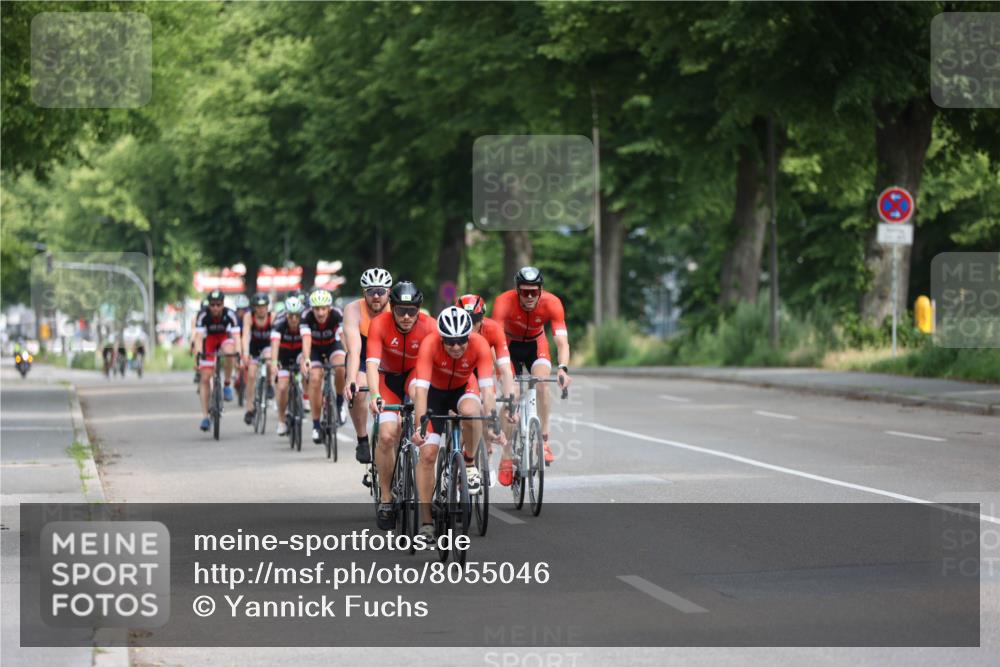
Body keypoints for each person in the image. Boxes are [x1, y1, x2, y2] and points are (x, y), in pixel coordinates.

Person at [411, 307, 504, 538]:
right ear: (441, 338)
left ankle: (469, 463)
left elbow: (487, 391)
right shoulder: (429, 345)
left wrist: (492, 423)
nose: (456, 347)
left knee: (473, 413)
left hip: (464, 388)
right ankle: (426, 522)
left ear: (468, 336)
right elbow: (420, 392)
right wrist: (418, 427)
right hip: (434, 394)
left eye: (461, 341)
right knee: (428, 454)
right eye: (450, 342)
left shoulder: (480, 344)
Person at [365, 281, 435, 530]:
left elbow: (434, 367)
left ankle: (418, 435)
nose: (406, 317)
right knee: (386, 436)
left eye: (412, 311)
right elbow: (372, 363)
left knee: (419, 392)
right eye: (401, 310)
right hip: (387, 380)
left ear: (420, 309)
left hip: (415, 375)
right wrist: (374, 394)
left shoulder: (430, 326)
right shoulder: (379, 324)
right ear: (391, 308)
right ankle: (386, 497)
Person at [491, 266, 573, 474]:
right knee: (513, 394)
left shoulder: (552, 303)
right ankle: (507, 454)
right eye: (524, 291)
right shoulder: (503, 302)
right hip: (507, 346)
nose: (529, 296)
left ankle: (543, 441)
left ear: (541, 290)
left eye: (534, 292)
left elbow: (562, 342)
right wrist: (502, 373)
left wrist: (563, 369)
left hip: (536, 345)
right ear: (517, 290)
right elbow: (494, 341)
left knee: (543, 384)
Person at [342, 267, 393, 463]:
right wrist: (350, 380)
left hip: (388, 355)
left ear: (389, 292)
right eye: (371, 292)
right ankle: (362, 439)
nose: (376, 296)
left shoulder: (396, 309)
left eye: (381, 291)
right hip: (362, 355)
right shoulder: (353, 310)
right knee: (358, 390)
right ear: (364, 293)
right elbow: (354, 351)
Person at [300, 289, 346, 443]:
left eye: (323, 308)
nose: (320, 313)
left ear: (329, 308)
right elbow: (306, 338)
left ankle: (339, 404)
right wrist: (306, 358)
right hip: (314, 349)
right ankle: (316, 425)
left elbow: (343, 336)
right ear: (312, 309)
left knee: (341, 366)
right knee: (314, 378)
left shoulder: (337, 314)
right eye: (317, 309)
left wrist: (350, 354)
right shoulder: (306, 317)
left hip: (333, 346)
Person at [192, 289, 242, 431]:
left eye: (218, 304)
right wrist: (198, 355)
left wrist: (238, 353)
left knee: (229, 352)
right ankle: (205, 417)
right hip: (209, 341)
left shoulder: (230, 314)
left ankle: (226, 384)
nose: (215, 308)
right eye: (212, 305)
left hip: (223, 339)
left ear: (223, 304)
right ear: (209, 305)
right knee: (205, 378)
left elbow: (237, 337)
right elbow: (199, 338)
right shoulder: (202, 315)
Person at [268, 296, 311, 437]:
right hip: (283, 356)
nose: (294, 319)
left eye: (296, 315)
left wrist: (306, 359)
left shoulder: (304, 323)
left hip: (299, 353)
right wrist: (274, 362)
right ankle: (281, 421)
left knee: (306, 368)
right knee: (281, 388)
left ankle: (305, 398)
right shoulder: (279, 323)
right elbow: (274, 345)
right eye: (291, 315)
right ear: (286, 314)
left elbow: (306, 341)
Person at [242, 292, 273, 425]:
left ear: (267, 307)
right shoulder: (249, 317)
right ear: (254, 307)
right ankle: (249, 408)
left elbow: (277, 336)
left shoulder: (273, 317)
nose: (261, 309)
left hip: (267, 345)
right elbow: (245, 335)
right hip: (254, 347)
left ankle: (270, 383)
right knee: (251, 374)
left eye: (264, 306)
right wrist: (245, 353)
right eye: (258, 306)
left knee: (269, 359)